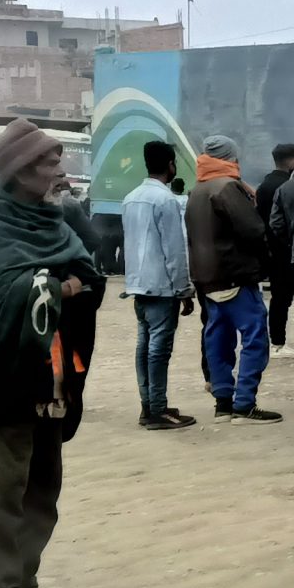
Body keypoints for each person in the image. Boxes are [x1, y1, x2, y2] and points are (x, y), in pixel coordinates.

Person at [0, 118, 105, 588]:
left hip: (55, 369)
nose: (59, 169)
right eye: (49, 162)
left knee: (44, 484)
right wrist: (51, 287)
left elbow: (90, 269)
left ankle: (26, 582)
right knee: (6, 487)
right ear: (20, 170)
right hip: (7, 369)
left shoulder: (51, 217)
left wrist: (65, 278)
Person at [186, 136, 278, 423]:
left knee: (217, 338)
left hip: (206, 278)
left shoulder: (197, 190)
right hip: (235, 275)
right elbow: (253, 230)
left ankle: (222, 402)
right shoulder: (228, 187)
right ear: (230, 157)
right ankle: (244, 403)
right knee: (254, 339)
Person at [122, 140, 197, 429]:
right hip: (162, 285)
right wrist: (184, 289)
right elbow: (174, 250)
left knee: (144, 346)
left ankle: (148, 405)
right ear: (171, 165)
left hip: (138, 283)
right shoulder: (165, 200)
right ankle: (158, 409)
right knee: (158, 350)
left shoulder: (131, 197)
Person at [257, 143, 294, 360]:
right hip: (289, 249)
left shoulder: (264, 185)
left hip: (272, 250)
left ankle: (277, 340)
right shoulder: (288, 185)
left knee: (279, 298)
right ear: (291, 160)